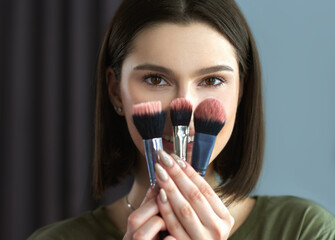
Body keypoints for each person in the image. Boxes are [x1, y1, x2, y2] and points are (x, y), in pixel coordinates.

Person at [29, 0, 335, 239]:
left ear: (241, 91)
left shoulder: (304, 230)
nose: (183, 108)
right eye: (155, 79)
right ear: (115, 92)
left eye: (212, 80)